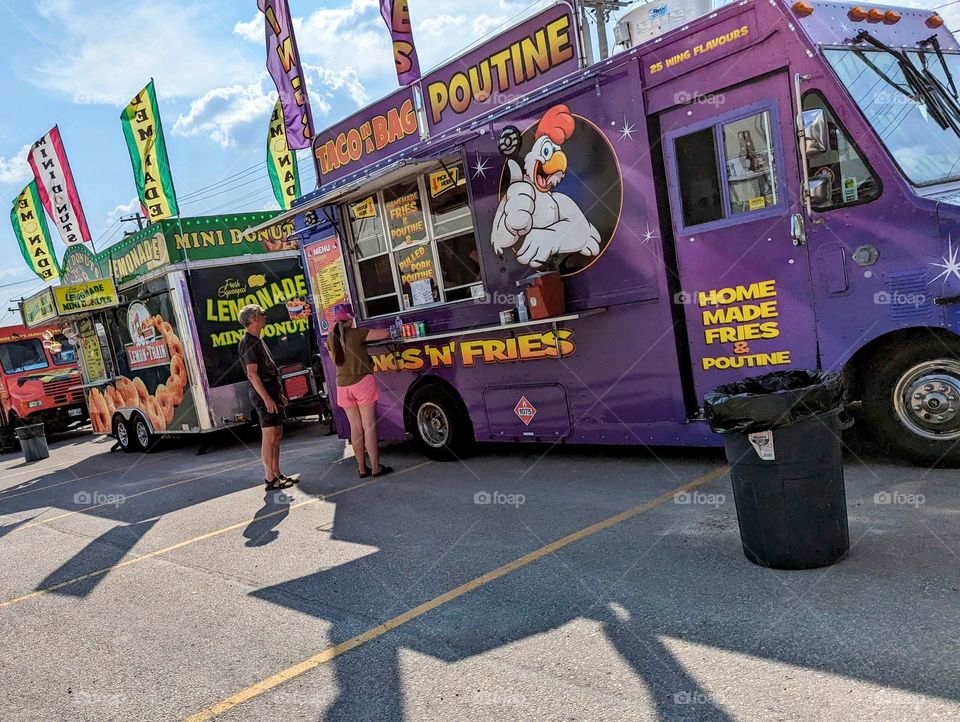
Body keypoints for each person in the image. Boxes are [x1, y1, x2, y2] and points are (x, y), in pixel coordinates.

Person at [325, 304, 392, 478]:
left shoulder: (331, 337)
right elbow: (384, 334)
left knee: (355, 427)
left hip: (342, 386)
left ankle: (362, 469)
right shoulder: (357, 333)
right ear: (349, 319)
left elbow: (335, 360)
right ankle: (376, 467)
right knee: (368, 426)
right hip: (362, 382)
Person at [238, 304, 299, 489]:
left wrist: (278, 394)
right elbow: (252, 374)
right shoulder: (248, 341)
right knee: (269, 434)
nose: (265, 316)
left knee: (277, 433)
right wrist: (266, 398)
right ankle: (270, 478)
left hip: (271, 389)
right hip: (261, 392)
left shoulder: (257, 339)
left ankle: (276, 472)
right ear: (254, 318)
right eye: (262, 314)